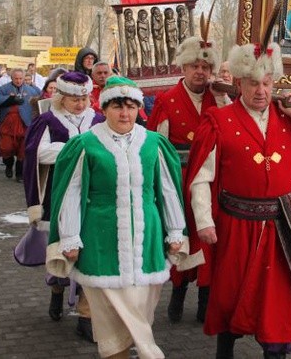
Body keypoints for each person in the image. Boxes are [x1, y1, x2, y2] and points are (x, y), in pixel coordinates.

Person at [184, 39, 291, 359]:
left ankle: (275, 353)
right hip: (235, 228)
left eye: (267, 83)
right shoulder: (218, 122)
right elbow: (201, 177)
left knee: (277, 307)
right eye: (253, 83)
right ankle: (225, 349)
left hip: (282, 232)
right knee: (229, 299)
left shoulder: (290, 119)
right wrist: (204, 222)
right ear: (238, 83)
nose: (261, 91)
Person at [46, 75, 187, 359]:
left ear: (138, 109)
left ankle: (142, 348)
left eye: (131, 107)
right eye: (117, 107)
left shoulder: (153, 143)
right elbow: (72, 192)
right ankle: (145, 353)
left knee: (141, 312)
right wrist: (70, 236)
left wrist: (176, 232)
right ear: (105, 109)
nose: (125, 113)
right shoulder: (86, 144)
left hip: (148, 239)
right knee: (109, 317)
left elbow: (168, 190)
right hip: (101, 239)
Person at [146, 35, 225, 324]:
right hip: (178, 182)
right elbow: (156, 147)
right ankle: (178, 292)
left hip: (210, 182)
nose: (200, 72)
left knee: (208, 238)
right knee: (179, 236)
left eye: (205, 67)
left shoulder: (218, 100)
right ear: (183, 67)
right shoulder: (167, 100)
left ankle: (205, 297)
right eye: (194, 66)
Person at [22, 71, 105, 341]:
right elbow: (37, 153)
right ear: (61, 97)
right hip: (58, 193)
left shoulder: (99, 119)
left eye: (84, 98)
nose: (80, 104)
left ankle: (85, 313)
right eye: (73, 99)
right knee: (60, 249)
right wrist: (76, 148)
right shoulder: (47, 120)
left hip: (92, 195)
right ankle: (56, 293)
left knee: (88, 253)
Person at [0, 68, 41, 183]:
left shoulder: (31, 90)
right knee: (6, 147)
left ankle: (19, 174)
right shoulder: (3, 89)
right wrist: (10, 100)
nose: (18, 81)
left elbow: (40, 99)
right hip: (8, 124)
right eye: (16, 78)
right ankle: (8, 164)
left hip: (25, 123)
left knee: (23, 149)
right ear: (11, 78)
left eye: (20, 78)